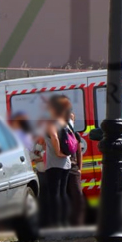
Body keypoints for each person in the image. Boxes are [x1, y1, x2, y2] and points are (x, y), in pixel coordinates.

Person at [41, 96, 72, 228]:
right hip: (66, 162)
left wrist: (57, 152)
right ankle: (64, 221)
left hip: (55, 162)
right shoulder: (66, 120)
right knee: (63, 192)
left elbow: (54, 136)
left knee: (54, 193)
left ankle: (56, 222)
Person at [65, 109, 86, 227]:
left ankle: (78, 223)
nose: (70, 121)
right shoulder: (61, 132)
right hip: (62, 169)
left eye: (72, 119)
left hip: (73, 168)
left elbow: (79, 153)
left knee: (77, 196)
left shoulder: (75, 134)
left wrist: (79, 168)